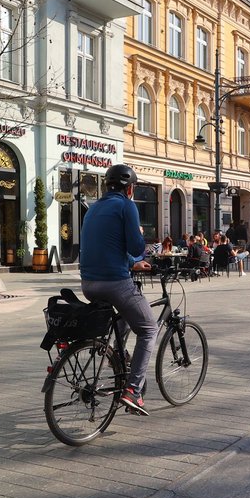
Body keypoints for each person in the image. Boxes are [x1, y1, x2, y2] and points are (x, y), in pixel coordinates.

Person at [79, 164, 157, 416]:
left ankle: (118, 359)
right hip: (115, 283)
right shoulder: (126, 206)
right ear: (130, 188)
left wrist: (132, 264)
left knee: (123, 320)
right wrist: (139, 238)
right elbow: (136, 246)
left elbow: (107, 247)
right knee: (148, 329)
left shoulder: (93, 209)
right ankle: (133, 390)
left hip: (88, 284)